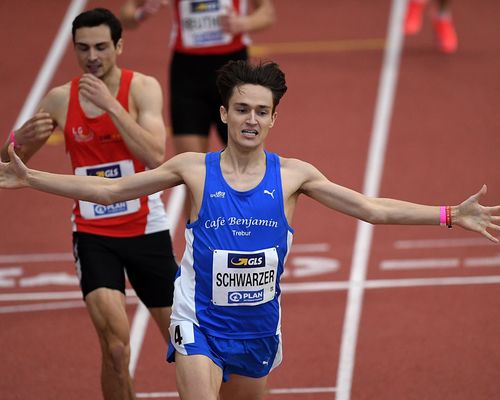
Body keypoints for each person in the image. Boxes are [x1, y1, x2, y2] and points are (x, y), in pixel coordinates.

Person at [1, 60, 499, 400]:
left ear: (274, 119)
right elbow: (113, 192)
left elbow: (372, 209)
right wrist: (32, 177)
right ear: (224, 114)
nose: (251, 119)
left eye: (262, 111)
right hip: (199, 320)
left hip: (256, 329)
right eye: (242, 109)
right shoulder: (193, 168)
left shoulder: (294, 176)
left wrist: (451, 214)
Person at [0, 8, 178, 400]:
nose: (92, 56)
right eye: (83, 49)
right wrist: (18, 137)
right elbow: (6, 167)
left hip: (147, 230)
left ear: (119, 45)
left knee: (183, 344)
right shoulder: (61, 99)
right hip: (94, 236)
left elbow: (154, 155)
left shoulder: (142, 89)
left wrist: (112, 106)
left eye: (101, 47)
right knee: (116, 349)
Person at [120, 0, 275, 218]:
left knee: (253, 166)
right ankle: (195, 246)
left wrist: (242, 23)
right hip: (188, 74)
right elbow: (126, 15)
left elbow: (267, 13)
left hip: (233, 70)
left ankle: (259, 233)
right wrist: (142, 13)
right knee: (192, 173)